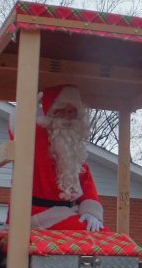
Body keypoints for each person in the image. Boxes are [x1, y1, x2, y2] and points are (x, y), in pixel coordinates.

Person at [9, 84, 105, 232]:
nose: (68, 116)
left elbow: (88, 186)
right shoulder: (37, 136)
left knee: (99, 232)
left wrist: (90, 212)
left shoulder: (75, 152)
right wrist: (24, 112)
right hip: (35, 214)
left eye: (73, 111)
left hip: (69, 213)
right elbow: (18, 135)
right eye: (63, 110)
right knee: (90, 234)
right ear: (52, 112)